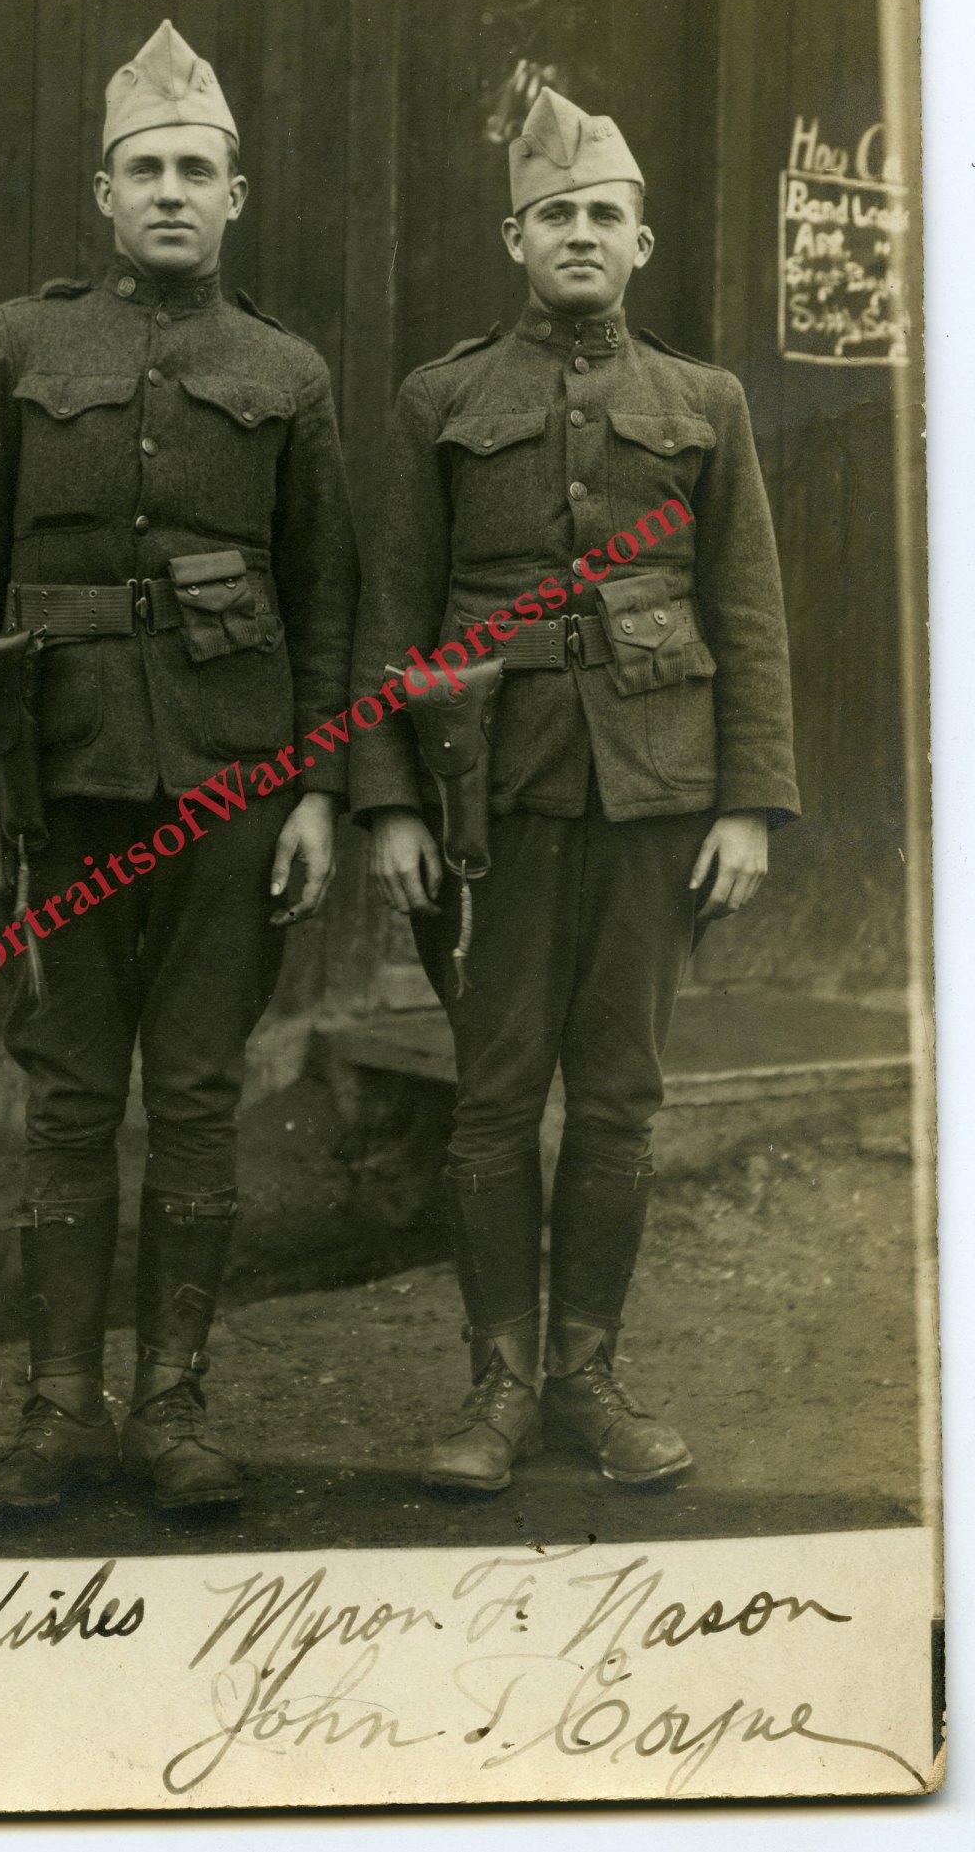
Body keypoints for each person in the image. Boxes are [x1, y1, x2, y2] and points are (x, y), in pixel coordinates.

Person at [0, 21, 356, 1513]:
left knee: (206, 1093)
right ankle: (55, 1409)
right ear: (103, 196)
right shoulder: (21, 345)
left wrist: (320, 793)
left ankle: (173, 1406)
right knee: (71, 1093)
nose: (171, 192)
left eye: (196, 172)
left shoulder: (287, 372)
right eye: (145, 170)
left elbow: (331, 597)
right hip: (68, 778)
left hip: (233, 785)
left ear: (239, 196)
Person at [349, 87, 799, 1495]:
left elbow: (753, 609)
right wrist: (392, 805)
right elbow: (393, 616)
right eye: (557, 214)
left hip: (661, 796)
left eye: (606, 213)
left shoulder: (705, 402)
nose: (582, 233)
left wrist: (748, 803)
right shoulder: (443, 398)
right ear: (515, 237)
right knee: (493, 1099)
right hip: (495, 799)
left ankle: (588, 1376)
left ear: (643, 238)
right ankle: (496, 1389)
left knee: (619, 1096)